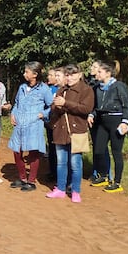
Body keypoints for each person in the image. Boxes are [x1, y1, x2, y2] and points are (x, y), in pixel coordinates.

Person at [47, 64, 94, 202]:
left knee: (75, 163)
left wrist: (66, 103)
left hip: (77, 131)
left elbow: (86, 109)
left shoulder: (86, 90)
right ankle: (60, 188)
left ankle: (75, 191)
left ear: (79, 75)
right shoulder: (61, 89)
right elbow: (54, 108)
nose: (70, 77)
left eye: (73, 74)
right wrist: (57, 106)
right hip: (60, 130)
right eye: (67, 75)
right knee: (61, 162)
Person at [8, 61, 55, 192]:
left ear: (35, 74)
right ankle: (22, 178)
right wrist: (13, 114)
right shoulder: (22, 87)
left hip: (34, 124)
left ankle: (31, 181)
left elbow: (51, 105)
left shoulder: (44, 89)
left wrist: (43, 114)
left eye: (27, 72)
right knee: (17, 151)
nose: (24, 74)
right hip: (19, 124)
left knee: (33, 152)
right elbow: (16, 103)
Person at [88, 61, 128, 193]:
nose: (97, 74)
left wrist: (125, 121)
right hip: (102, 121)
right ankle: (104, 176)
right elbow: (97, 107)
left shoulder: (118, 86)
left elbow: (126, 105)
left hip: (116, 121)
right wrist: (91, 114)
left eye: (100, 72)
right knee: (99, 150)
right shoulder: (97, 88)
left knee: (116, 153)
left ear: (108, 73)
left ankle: (117, 182)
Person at [87, 60, 111, 186]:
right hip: (92, 118)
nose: (92, 68)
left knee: (102, 146)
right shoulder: (91, 83)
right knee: (96, 146)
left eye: (95, 67)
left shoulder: (104, 86)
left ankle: (106, 173)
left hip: (100, 118)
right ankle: (96, 171)